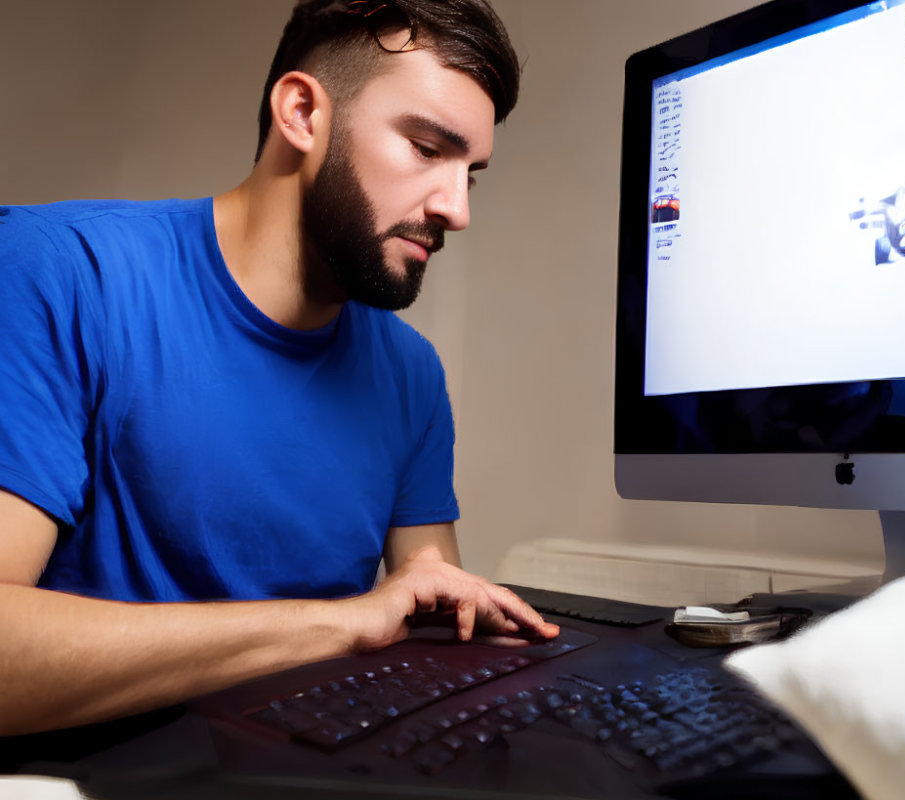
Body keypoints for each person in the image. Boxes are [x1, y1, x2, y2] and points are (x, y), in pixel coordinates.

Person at [0, 0, 558, 738]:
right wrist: (341, 625)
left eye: (472, 174)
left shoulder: (412, 373)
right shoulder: (59, 270)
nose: (457, 210)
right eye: (428, 149)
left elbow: (425, 610)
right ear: (301, 112)